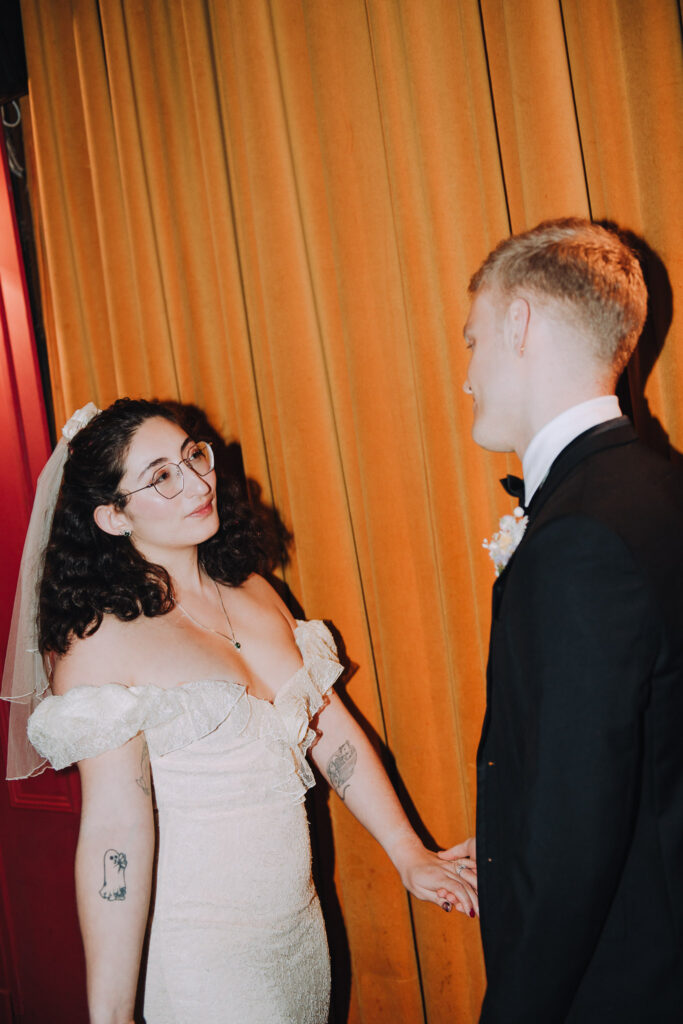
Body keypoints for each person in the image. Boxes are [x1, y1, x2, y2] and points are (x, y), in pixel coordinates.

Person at [1, 397, 477, 1024]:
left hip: (301, 937)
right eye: (161, 476)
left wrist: (409, 853)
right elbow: (116, 829)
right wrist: (109, 1016)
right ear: (113, 518)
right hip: (206, 961)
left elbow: (330, 730)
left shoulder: (256, 592)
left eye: (192, 456)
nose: (198, 482)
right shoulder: (100, 643)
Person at [443, 218, 683, 1021]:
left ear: (519, 324)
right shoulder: (659, 488)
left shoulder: (579, 536)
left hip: (617, 977)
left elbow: (572, 834)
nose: (466, 375)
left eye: (471, 340)